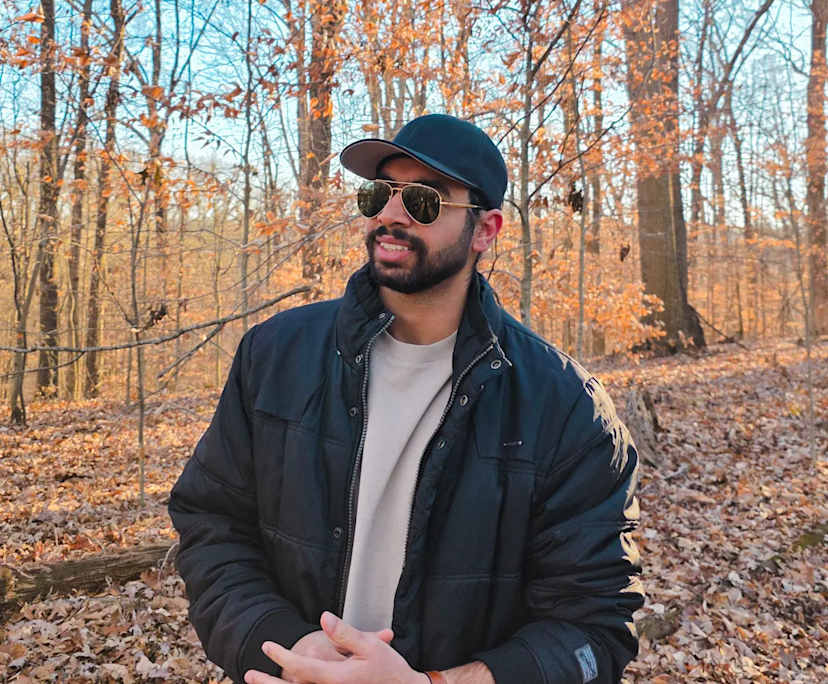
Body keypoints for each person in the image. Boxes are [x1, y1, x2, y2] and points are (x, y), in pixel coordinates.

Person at [169, 113, 644, 684]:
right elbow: (212, 524)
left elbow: (594, 628)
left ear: (485, 230)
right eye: (380, 193)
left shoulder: (565, 406)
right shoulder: (275, 355)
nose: (390, 215)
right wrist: (289, 645)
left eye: (424, 200)